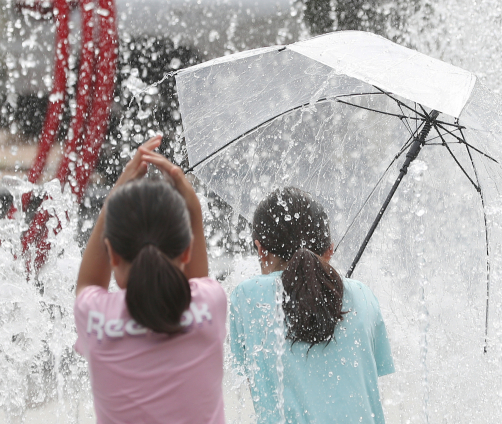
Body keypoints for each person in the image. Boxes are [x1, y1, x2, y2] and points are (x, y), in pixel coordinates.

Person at [74, 136, 226, 424]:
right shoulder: (211, 304)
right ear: (186, 251)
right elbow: (195, 286)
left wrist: (113, 199)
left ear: (112, 254)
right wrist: (193, 207)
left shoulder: (96, 317)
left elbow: (88, 285)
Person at [229, 187, 394, 424]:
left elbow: (252, 375)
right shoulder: (363, 295)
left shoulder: (246, 297)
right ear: (329, 250)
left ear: (260, 249)